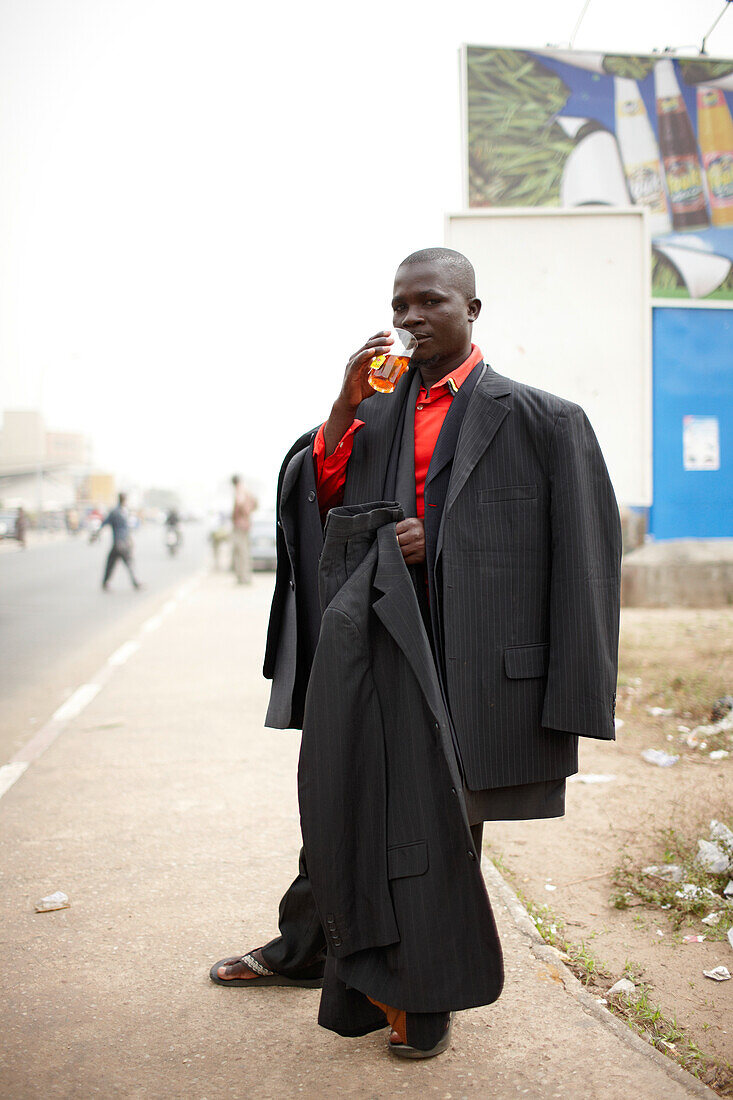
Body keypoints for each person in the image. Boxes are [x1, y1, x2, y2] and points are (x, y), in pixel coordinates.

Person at [210, 248, 622, 1057]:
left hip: (474, 662)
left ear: (473, 309)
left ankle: (423, 997)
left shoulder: (545, 419)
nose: (409, 319)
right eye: (399, 305)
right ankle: (308, 950)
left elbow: (582, 558)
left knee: (438, 827)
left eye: (428, 302)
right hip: (377, 644)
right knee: (341, 797)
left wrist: (575, 692)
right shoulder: (376, 409)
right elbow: (319, 498)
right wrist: (341, 404)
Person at [94, 493, 142, 590]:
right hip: (121, 543)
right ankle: (135, 583)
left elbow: (104, 523)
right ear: (125, 500)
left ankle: (105, 583)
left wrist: (96, 535)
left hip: (118, 543)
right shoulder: (121, 512)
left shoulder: (119, 512)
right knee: (127, 563)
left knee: (112, 563)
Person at [230, 475, 257, 585]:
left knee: (241, 551)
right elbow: (255, 503)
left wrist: (237, 516)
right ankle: (246, 577)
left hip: (240, 525)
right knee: (245, 551)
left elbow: (240, 503)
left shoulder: (239, 490)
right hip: (246, 524)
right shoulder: (247, 490)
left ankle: (243, 578)